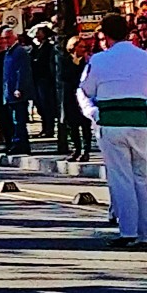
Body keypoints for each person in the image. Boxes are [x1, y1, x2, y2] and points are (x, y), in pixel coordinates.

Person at [77, 13, 147, 247]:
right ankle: (145, 232)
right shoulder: (144, 57)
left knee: (121, 178)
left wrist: (93, 113)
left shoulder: (98, 60)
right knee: (143, 178)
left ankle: (128, 231)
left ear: (105, 35)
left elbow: (87, 88)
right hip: (142, 122)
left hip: (112, 123)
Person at [0, 27, 34, 155]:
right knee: (14, 120)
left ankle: (21, 144)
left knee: (19, 119)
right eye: (3, 38)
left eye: (7, 37)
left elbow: (22, 71)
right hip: (9, 91)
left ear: (14, 37)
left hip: (17, 92)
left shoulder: (20, 51)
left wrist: (19, 88)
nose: (5, 40)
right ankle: (17, 143)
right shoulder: (9, 52)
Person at [60, 36, 93, 163]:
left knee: (85, 125)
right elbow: (64, 76)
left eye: (84, 47)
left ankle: (86, 151)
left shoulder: (87, 62)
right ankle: (76, 149)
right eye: (80, 46)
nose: (82, 49)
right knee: (72, 125)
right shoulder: (65, 60)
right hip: (70, 96)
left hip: (83, 96)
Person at [31, 26, 59, 142]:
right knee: (40, 105)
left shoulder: (49, 47)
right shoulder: (37, 48)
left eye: (39, 33)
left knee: (47, 104)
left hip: (45, 79)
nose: (37, 35)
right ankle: (44, 127)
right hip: (37, 79)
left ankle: (49, 128)